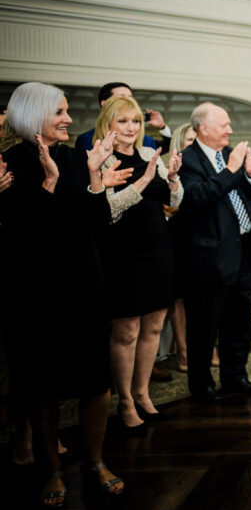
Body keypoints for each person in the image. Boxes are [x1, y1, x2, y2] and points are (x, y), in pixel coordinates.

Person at [0, 82, 126, 505]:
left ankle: (95, 461)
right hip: (36, 290)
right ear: (35, 115)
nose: (69, 119)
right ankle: (50, 469)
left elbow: (96, 222)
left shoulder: (74, 157)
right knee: (44, 384)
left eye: (68, 111)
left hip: (84, 282)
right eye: (60, 112)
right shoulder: (9, 164)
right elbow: (25, 234)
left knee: (95, 378)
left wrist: (93, 177)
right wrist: (50, 184)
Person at [96, 96, 183, 429]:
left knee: (154, 326)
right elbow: (108, 210)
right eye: (122, 121)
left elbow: (174, 201)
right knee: (127, 331)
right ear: (108, 124)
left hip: (159, 249)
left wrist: (172, 177)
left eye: (135, 121)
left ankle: (143, 392)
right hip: (123, 254)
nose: (131, 128)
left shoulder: (149, 154)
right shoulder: (101, 159)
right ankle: (125, 401)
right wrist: (144, 182)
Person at [177, 103, 251, 402]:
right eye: (224, 125)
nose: (229, 130)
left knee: (239, 321)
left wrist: (250, 174)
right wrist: (231, 170)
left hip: (242, 251)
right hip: (207, 257)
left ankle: (235, 376)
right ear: (202, 128)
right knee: (203, 326)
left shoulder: (230, 156)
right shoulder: (185, 160)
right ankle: (201, 386)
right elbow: (196, 198)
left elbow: (250, 193)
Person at [166, 123, 196, 372]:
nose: (194, 144)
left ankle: (208, 347)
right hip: (175, 237)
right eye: (189, 140)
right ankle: (184, 352)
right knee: (179, 298)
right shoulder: (167, 167)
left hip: (201, 235)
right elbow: (168, 206)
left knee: (201, 295)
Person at [75, 81, 171, 153]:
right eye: (122, 97)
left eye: (130, 97)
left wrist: (162, 127)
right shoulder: (87, 139)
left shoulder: (146, 141)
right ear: (105, 104)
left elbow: (171, 147)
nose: (128, 101)